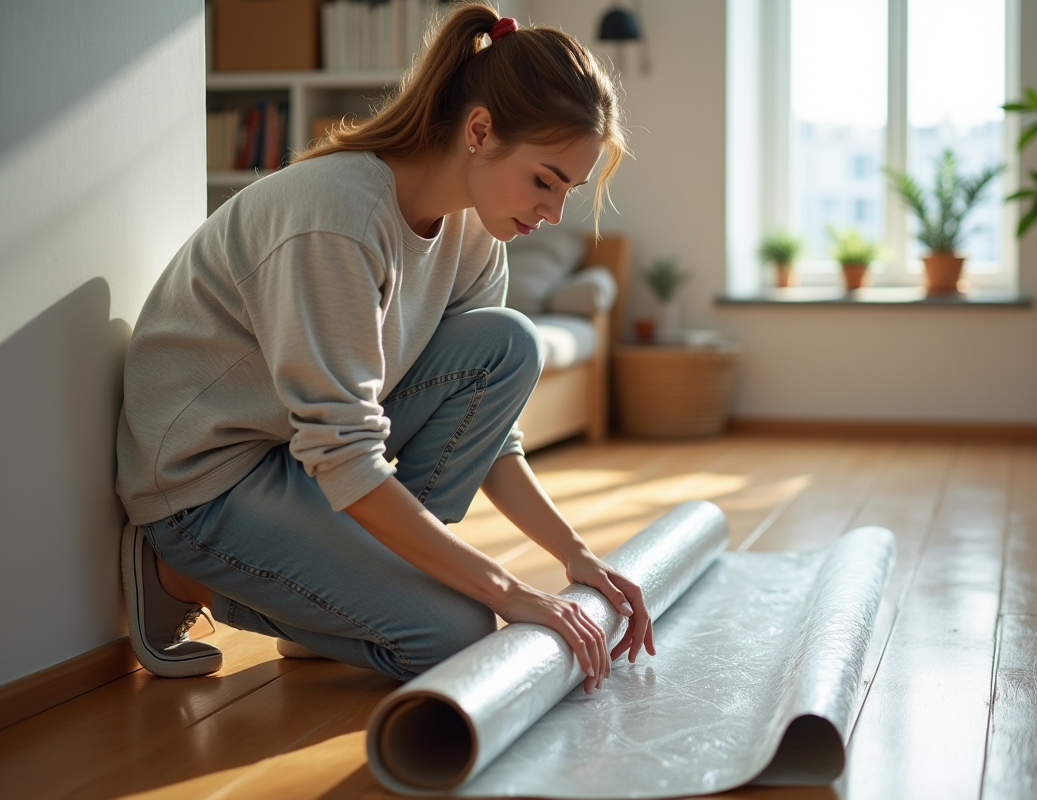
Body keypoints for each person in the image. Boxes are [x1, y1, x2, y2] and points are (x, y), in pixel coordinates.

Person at [115, 3, 652, 695]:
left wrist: (576, 555)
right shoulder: (339, 217)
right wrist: (509, 590)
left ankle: (347, 595)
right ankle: (181, 572)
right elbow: (343, 450)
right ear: (481, 130)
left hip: (296, 454)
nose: (551, 212)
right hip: (205, 483)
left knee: (508, 345)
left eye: (567, 191)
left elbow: (489, 432)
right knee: (454, 634)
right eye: (544, 180)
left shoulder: (478, 230)